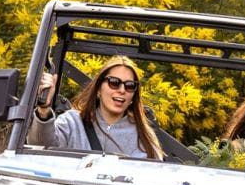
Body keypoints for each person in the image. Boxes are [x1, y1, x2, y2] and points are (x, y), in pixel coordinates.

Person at [28, 55, 163, 159]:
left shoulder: (144, 137)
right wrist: (44, 109)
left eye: (129, 86)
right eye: (114, 83)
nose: (122, 90)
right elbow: (40, 146)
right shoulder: (72, 122)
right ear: (98, 88)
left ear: (134, 95)